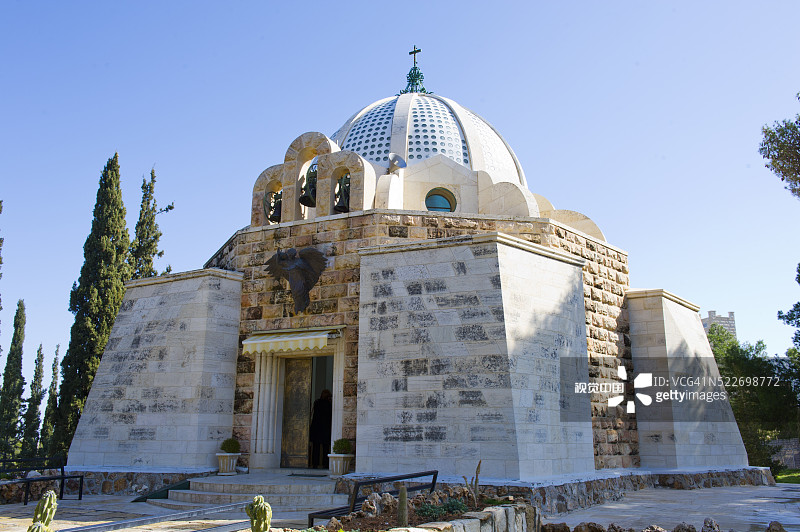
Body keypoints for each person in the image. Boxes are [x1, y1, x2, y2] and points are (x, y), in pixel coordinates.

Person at [309, 389, 332, 468]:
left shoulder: (317, 402)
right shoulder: (328, 404)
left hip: (316, 428)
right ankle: (325, 464)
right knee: (325, 448)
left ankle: (315, 464)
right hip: (325, 428)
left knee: (316, 447)